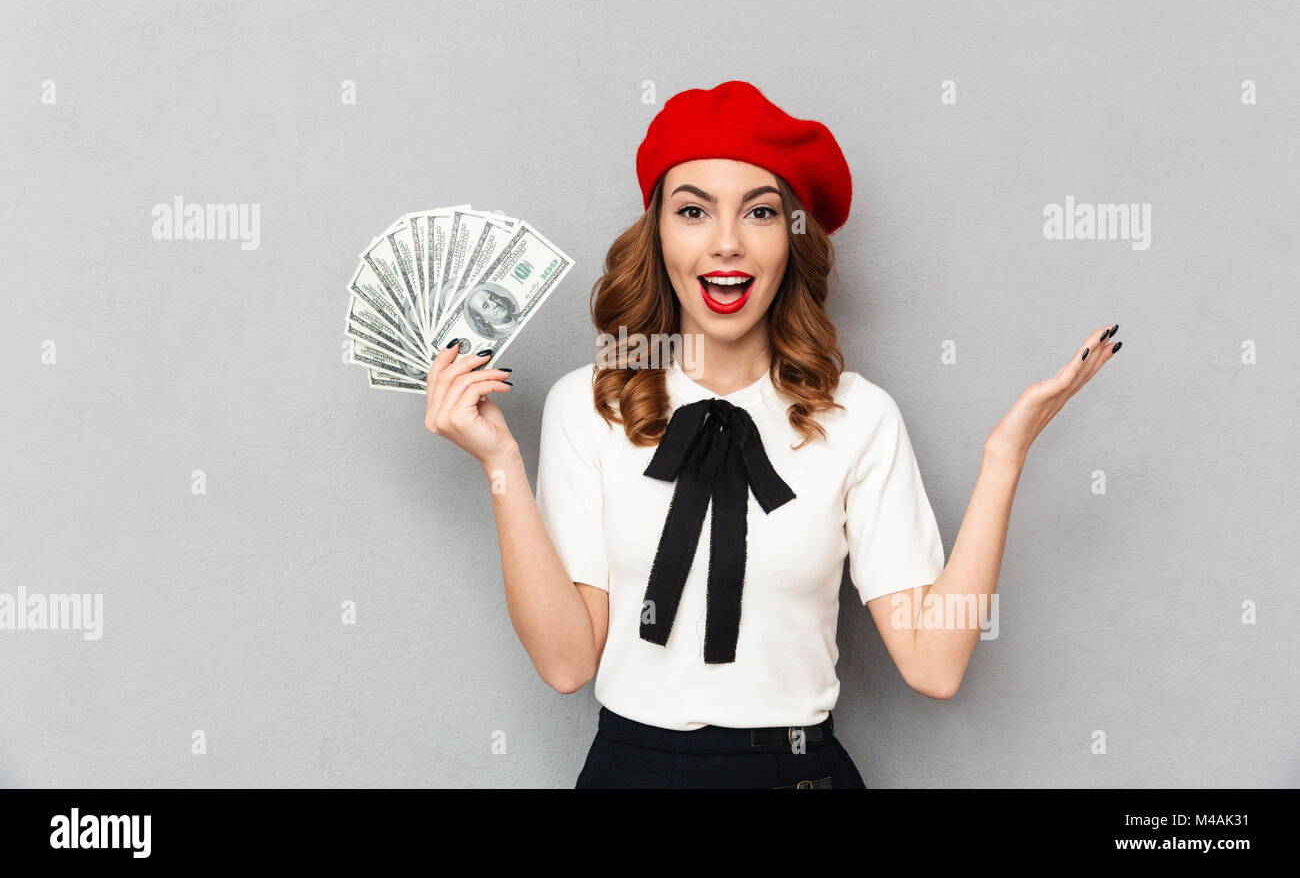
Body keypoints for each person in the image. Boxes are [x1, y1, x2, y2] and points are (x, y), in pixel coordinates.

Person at [422, 80, 1124, 788]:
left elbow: (934, 665)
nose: (726, 242)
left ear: (792, 240)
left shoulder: (860, 417)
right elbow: (567, 662)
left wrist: (1005, 457)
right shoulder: (587, 403)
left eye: (760, 213)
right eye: (693, 210)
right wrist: (500, 464)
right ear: (658, 233)